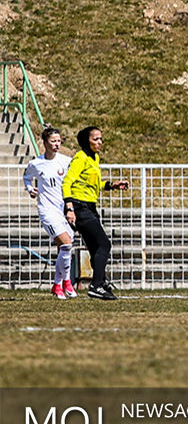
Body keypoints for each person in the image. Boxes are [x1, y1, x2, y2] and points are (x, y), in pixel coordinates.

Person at [61, 126, 129, 301]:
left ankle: (101, 282)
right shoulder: (80, 158)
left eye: (101, 139)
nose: (100, 142)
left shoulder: (94, 158)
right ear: (86, 141)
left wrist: (111, 185)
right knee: (104, 245)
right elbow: (67, 182)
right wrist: (69, 208)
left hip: (89, 206)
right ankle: (97, 285)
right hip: (78, 206)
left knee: (95, 248)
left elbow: (92, 183)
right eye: (95, 139)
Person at [23, 126, 76, 299]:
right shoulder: (36, 164)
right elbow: (27, 177)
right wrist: (30, 188)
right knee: (67, 244)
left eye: (59, 141)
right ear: (44, 143)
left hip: (64, 209)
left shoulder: (66, 161)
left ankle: (57, 285)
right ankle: (66, 282)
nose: (57, 144)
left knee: (64, 248)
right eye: (53, 141)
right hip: (47, 210)